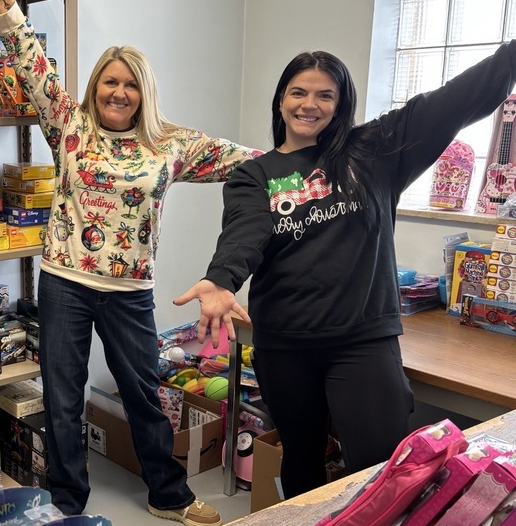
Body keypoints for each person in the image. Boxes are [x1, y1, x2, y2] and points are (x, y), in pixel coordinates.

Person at [0, 0, 261, 526]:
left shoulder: (171, 145)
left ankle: (167, 494)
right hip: (65, 282)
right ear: (95, 86)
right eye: (109, 81)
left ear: (143, 93)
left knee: (146, 395)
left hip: (130, 291)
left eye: (129, 84)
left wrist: (317, 159)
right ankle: (68, 504)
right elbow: (30, 57)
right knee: (63, 398)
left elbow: (254, 165)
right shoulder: (69, 123)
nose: (118, 91)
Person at [175, 43, 516, 499]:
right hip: (286, 346)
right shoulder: (254, 176)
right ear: (281, 100)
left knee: (385, 464)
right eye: (298, 92)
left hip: (362, 342)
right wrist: (221, 279)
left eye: (325, 95)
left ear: (341, 105)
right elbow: (246, 232)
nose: (309, 105)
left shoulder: (374, 152)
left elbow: (452, 100)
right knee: (302, 458)